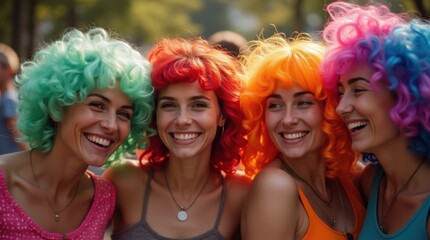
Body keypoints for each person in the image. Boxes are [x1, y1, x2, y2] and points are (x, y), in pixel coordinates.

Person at [0, 28, 154, 239]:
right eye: (97, 105)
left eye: (124, 114)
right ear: (58, 107)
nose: (111, 125)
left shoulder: (104, 199)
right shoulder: (3, 182)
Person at [103, 37, 250, 240]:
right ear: (154, 115)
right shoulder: (123, 180)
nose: (182, 120)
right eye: (169, 105)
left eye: (198, 105)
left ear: (222, 115)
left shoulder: (242, 193)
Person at [239, 33, 365, 240]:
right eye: (275, 105)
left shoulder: (350, 177)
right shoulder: (275, 187)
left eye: (303, 102)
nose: (288, 119)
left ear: (331, 108)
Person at [321, 2, 430, 239]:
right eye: (340, 92)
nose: (341, 107)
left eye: (358, 90)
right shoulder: (370, 183)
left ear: (405, 95)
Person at [0, 43, 28, 154]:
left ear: (8, 71)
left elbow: (19, 137)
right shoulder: (10, 96)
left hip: (7, 165)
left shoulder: (8, 99)